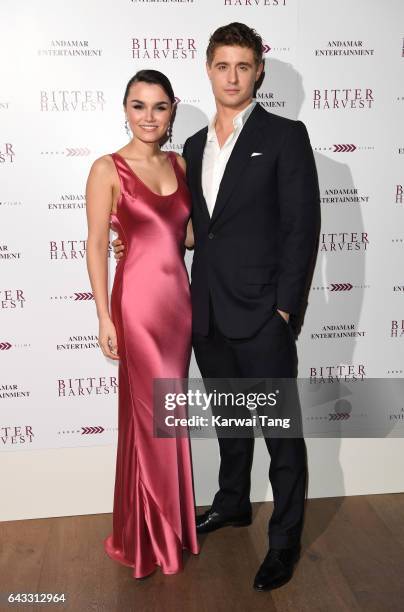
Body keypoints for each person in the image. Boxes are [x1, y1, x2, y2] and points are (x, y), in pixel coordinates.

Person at [113, 22, 321, 591]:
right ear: (208, 69)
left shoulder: (286, 136)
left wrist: (284, 311)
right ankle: (231, 503)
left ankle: (283, 543)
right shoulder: (193, 148)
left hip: (261, 316)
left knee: (279, 433)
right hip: (202, 312)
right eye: (222, 65)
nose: (232, 77)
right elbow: (190, 229)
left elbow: (302, 230)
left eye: (243, 66)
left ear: (259, 71)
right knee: (232, 424)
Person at [85, 69, 199, 579]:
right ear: (124, 109)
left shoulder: (180, 164)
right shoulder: (107, 169)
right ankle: (154, 538)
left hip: (178, 304)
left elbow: (189, 235)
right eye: (138, 106)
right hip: (135, 306)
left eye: (158, 106)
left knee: (164, 415)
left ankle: (156, 528)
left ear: (171, 110)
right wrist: (104, 316)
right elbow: (94, 245)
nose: (148, 117)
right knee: (154, 417)